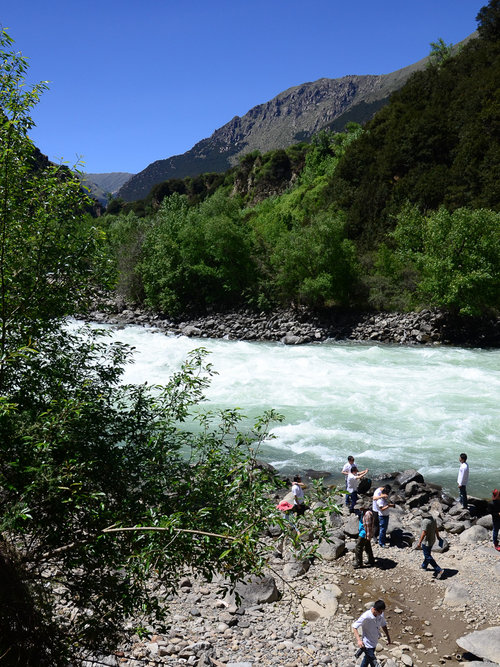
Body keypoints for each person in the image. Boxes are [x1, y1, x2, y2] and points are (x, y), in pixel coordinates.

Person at [352, 599, 391, 667]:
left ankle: (359, 652)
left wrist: (388, 637)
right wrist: (359, 640)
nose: (382, 613)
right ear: (375, 609)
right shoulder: (366, 616)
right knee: (374, 663)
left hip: (374, 642)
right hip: (367, 642)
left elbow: (383, 625)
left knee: (366, 659)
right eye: (380, 611)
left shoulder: (380, 614)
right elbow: (354, 626)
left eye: (382, 611)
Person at [416, 511, 444, 578]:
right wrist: (438, 537)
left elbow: (424, 532)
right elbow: (436, 529)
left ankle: (439, 570)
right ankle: (424, 566)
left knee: (427, 555)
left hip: (426, 542)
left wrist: (419, 542)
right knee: (427, 553)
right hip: (432, 540)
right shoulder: (433, 519)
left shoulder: (425, 521)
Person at [354, 502, 376, 569]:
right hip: (363, 532)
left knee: (358, 548)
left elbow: (368, 527)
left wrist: (368, 536)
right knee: (367, 547)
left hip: (364, 534)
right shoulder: (363, 512)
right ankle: (371, 560)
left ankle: (359, 563)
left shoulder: (367, 514)